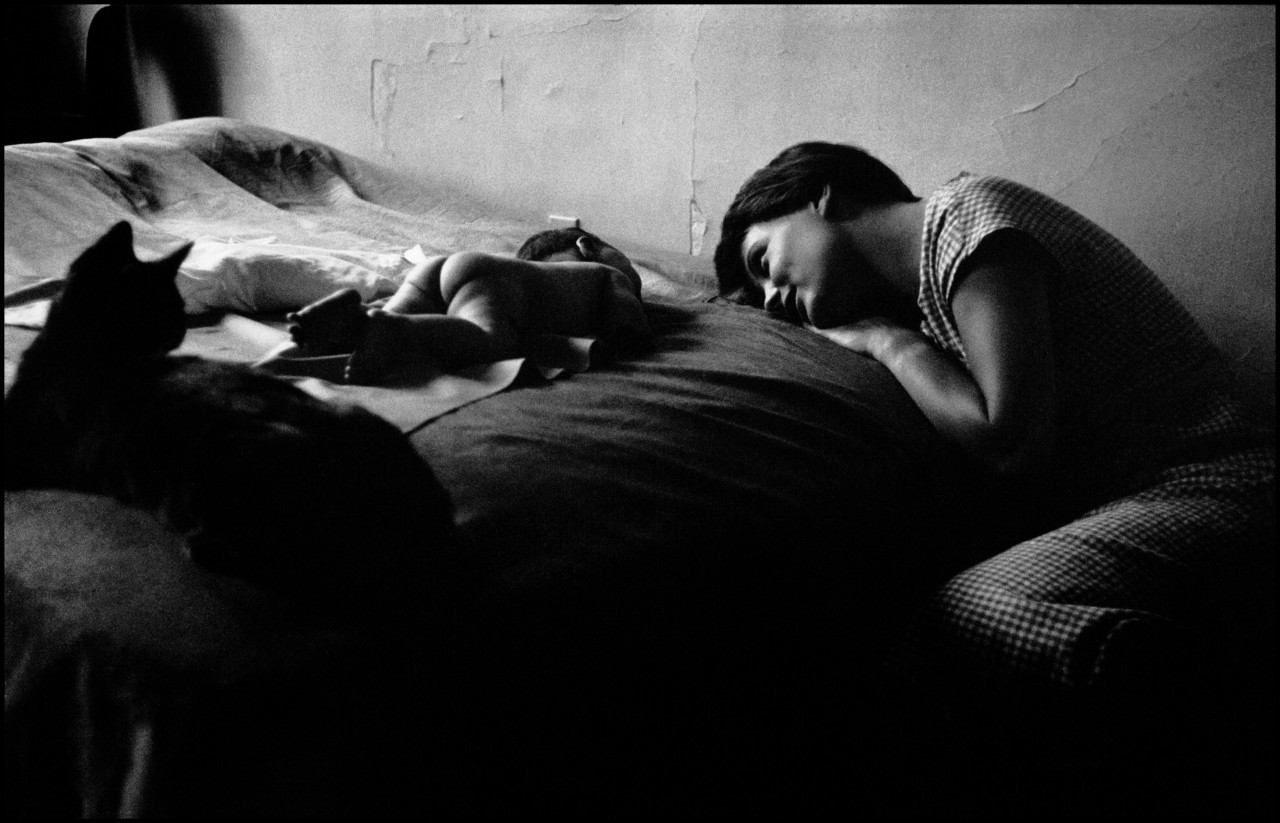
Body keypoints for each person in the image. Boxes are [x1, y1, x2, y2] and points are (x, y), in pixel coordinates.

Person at [714, 141, 1274, 538]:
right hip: (1140, 498)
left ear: (821, 197)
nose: (771, 298)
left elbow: (1012, 445)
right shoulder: (929, 298)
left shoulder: (966, 214)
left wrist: (888, 343)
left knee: (969, 615)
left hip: (1214, 482)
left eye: (763, 261)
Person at [285, 228, 652, 384]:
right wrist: (634, 332)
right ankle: (398, 331)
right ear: (588, 247)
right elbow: (628, 322)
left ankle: (352, 319)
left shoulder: (527, 273)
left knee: (394, 313)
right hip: (482, 278)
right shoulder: (608, 274)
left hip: (434, 269)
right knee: (488, 338)